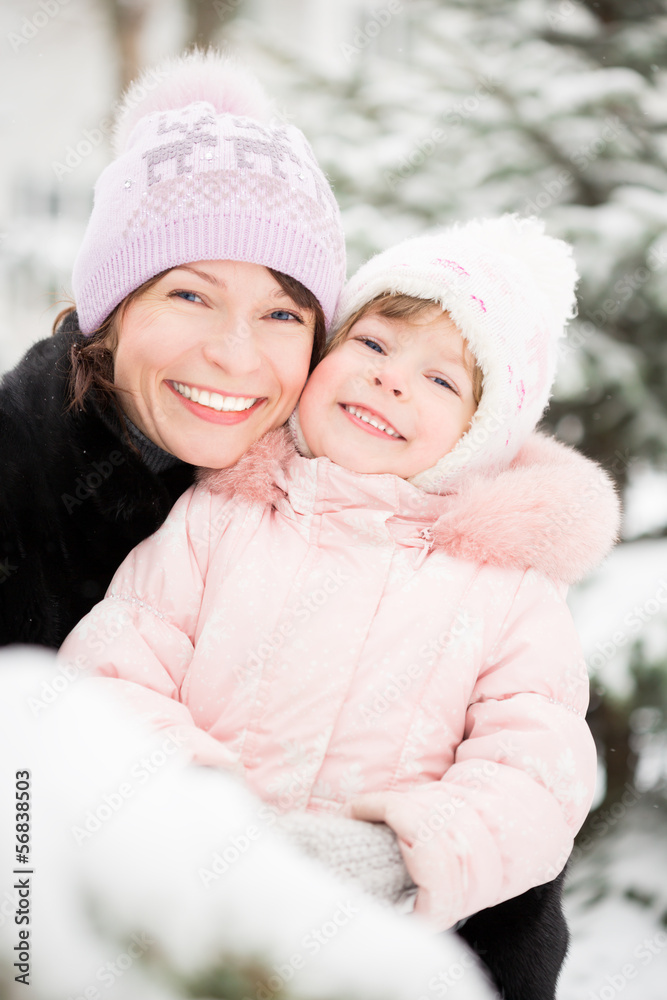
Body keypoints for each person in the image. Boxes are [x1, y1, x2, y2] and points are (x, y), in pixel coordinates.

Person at [60, 215, 620, 997]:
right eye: (375, 345)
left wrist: (410, 848)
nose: (392, 380)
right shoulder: (222, 513)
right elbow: (114, 672)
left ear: (479, 435)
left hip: (373, 944)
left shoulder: (506, 588)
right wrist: (196, 802)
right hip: (188, 911)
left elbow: (535, 774)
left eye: (441, 380)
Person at [0, 49, 345, 648]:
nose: (236, 357)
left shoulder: (346, 509)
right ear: (110, 312)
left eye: (282, 313)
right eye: (190, 296)